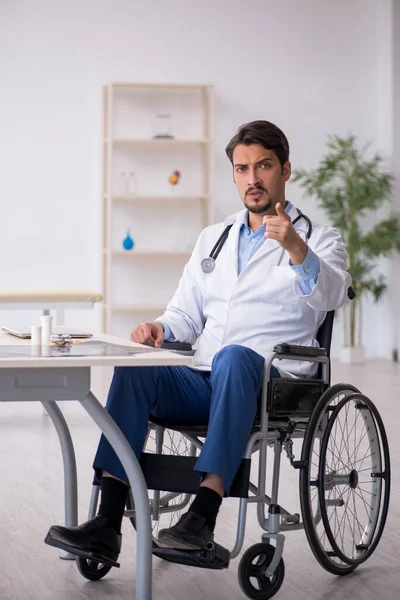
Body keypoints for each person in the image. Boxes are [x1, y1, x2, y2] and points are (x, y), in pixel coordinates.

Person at [46, 120, 351, 564]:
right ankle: (106, 525)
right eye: (242, 168)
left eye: (263, 166)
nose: (253, 178)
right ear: (234, 175)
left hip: (271, 384)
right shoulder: (215, 237)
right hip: (204, 380)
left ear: (285, 169)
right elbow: (185, 314)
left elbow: (332, 294)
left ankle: (202, 516)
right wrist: (161, 329)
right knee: (136, 371)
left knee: (234, 357)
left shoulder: (320, 239)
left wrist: (296, 248)